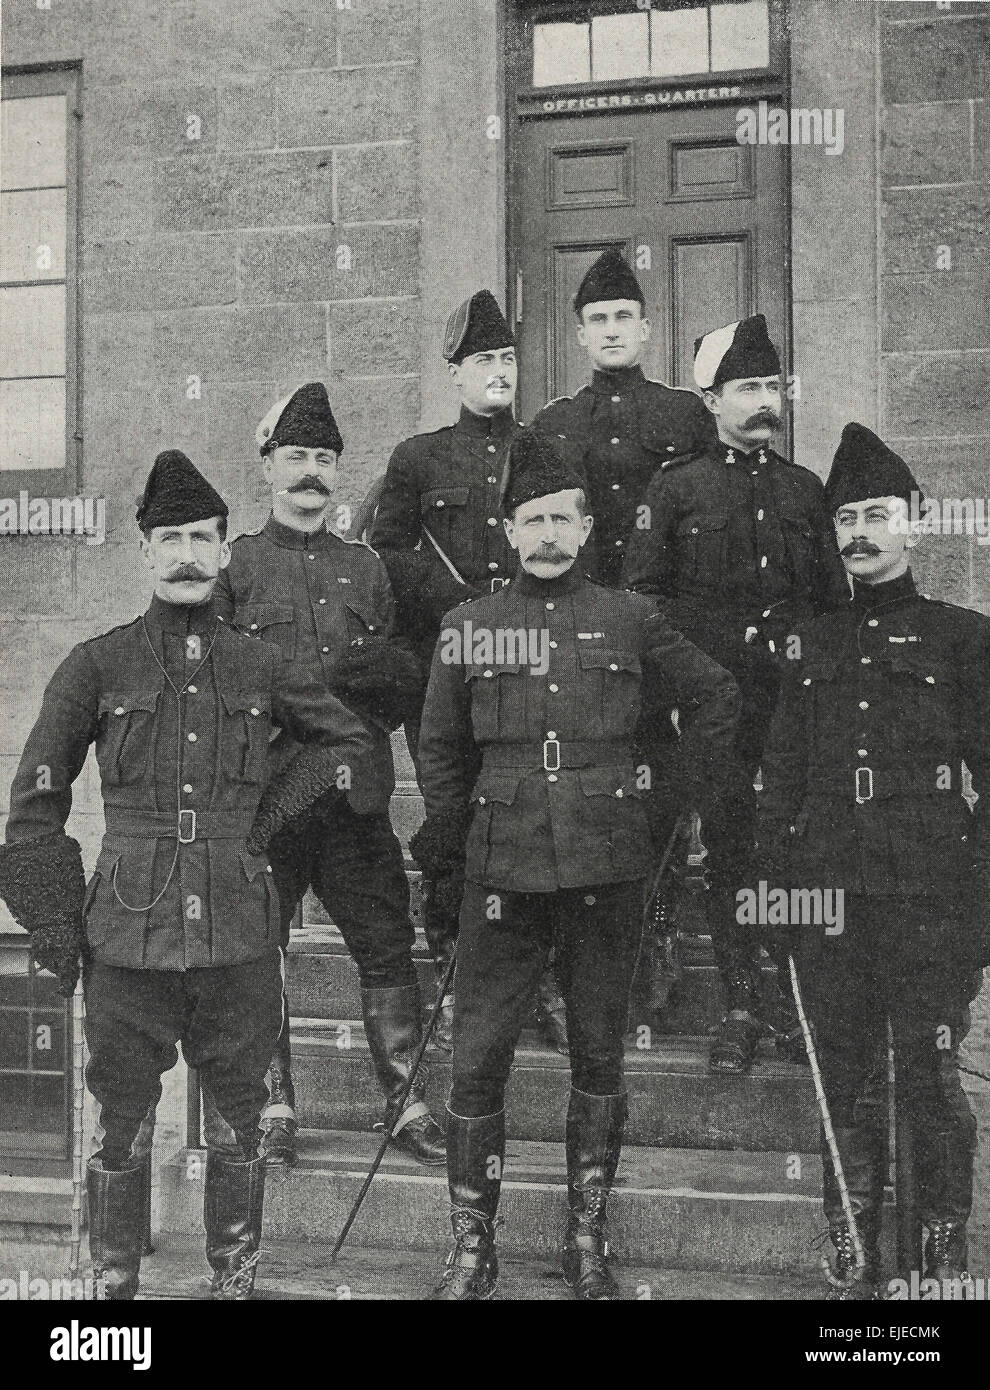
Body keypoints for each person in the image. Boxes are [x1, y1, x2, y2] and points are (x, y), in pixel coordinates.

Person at [0, 451, 373, 1299]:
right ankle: (112, 1284)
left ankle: (234, 1278)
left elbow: (347, 743)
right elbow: (32, 809)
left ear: (223, 550)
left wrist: (264, 822)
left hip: (239, 931)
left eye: (203, 538)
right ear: (144, 551)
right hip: (128, 933)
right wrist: (59, 932)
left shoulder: (262, 666)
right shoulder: (96, 666)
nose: (187, 555)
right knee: (121, 1126)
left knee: (244, 1121)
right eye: (170, 538)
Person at [411, 428, 739, 1299]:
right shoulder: (470, 626)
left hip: (608, 863)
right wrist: (452, 835)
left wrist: (664, 796)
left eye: (564, 518)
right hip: (501, 866)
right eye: (533, 520)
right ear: (509, 532)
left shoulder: (632, 617)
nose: (550, 534)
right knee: (479, 1056)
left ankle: (585, 1242)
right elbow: (440, 744)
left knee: (600, 1054)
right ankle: (472, 1251)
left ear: (589, 529)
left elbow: (715, 695)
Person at [757, 422, 990, 1299]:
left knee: (929, 1077)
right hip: (825, 903)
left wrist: (980, 908)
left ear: (915, 522)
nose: (859, 531)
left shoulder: (965, 640)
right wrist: (774, 907)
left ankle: (941, 1262)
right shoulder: (810, 646)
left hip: (930, 900)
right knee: (843, 1079)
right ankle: (854, 1256)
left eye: (878, 514)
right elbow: (778, 789)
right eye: (846, 516)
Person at [215, 382, 445, 1168]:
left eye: (323, 459)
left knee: (384, 943)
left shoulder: (368, 569)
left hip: (352, 795)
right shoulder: (237, 567)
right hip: (269, 799)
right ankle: (274, 1103)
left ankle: (405, 1100)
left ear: (337, 473)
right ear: (267, 466)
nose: (310, 472)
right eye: (295, 457)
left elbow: (393, 689)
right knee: (258, 950)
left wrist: (387, 682)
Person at [623, 314, 850, 1074]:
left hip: (791, 711)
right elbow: (643, 602)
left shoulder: (805, 490)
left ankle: (792, 1003)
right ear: (710, 398)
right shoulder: (676, 488)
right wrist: (691, 684)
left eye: (771, 386)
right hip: (711, 709)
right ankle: (741, 1004)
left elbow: (832, 607)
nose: (763, 401)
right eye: (746, 387)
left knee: (786, 849)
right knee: (727, 848)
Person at [370, 291, 568, 1053]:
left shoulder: (545, 448)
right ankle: (456, 964)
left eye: (508, 358)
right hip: (450, 670)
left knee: (530, 815)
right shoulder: (418, 458)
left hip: (535, 666)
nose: (499, 372)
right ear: (454, 373)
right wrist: (462, 604)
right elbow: (388, 554)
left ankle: (536, 981)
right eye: (483, 360)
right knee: (453, 818)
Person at [531, 247, 716, 588]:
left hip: (666, 593)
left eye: (623, 317)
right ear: (582, 334)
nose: (611, 331)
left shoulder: (685, 412)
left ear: (644, 328)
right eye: (598, 319)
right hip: (582, 596)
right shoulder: (554, 422)